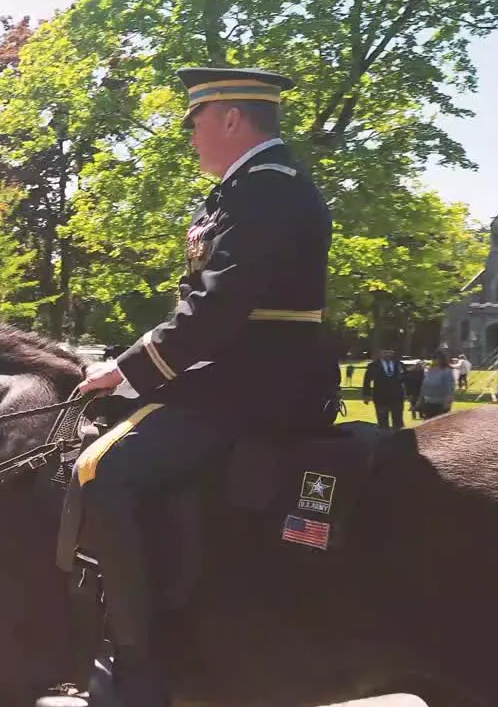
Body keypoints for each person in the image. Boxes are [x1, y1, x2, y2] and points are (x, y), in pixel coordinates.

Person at [66, 67, 339, 706]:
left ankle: (140, 664)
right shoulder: (240, 190)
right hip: (239, 374)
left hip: (258, 384)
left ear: (230, 119)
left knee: (104, 473)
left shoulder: (265, 190)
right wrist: (131, 363)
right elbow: (200, 308)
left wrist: (127, 369)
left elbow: (217, 309)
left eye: (195, 122)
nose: (190, 136)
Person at [361, 348, 406, 429]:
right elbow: (367, 381)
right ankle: (384, 439)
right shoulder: (373, 366)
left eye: (390, 351)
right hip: (380, 397)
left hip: (397, 397)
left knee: (398, 421)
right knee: (382, 422)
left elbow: (405, 379)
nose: (387, 354)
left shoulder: (399, 364)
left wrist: (409, 393)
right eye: (385, 352)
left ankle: (399, 439)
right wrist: (366, 395)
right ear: (380, 353)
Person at [415, 351, 456, 419]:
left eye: (436, 358)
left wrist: (448, 403)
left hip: (440, 404)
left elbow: (450, 388)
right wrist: (420, 401)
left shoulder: (447, 372)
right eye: (433, 358)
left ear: (442, 359)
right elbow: (424, 386)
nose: (434, 360)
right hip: (428, 403)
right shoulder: (430, 370)